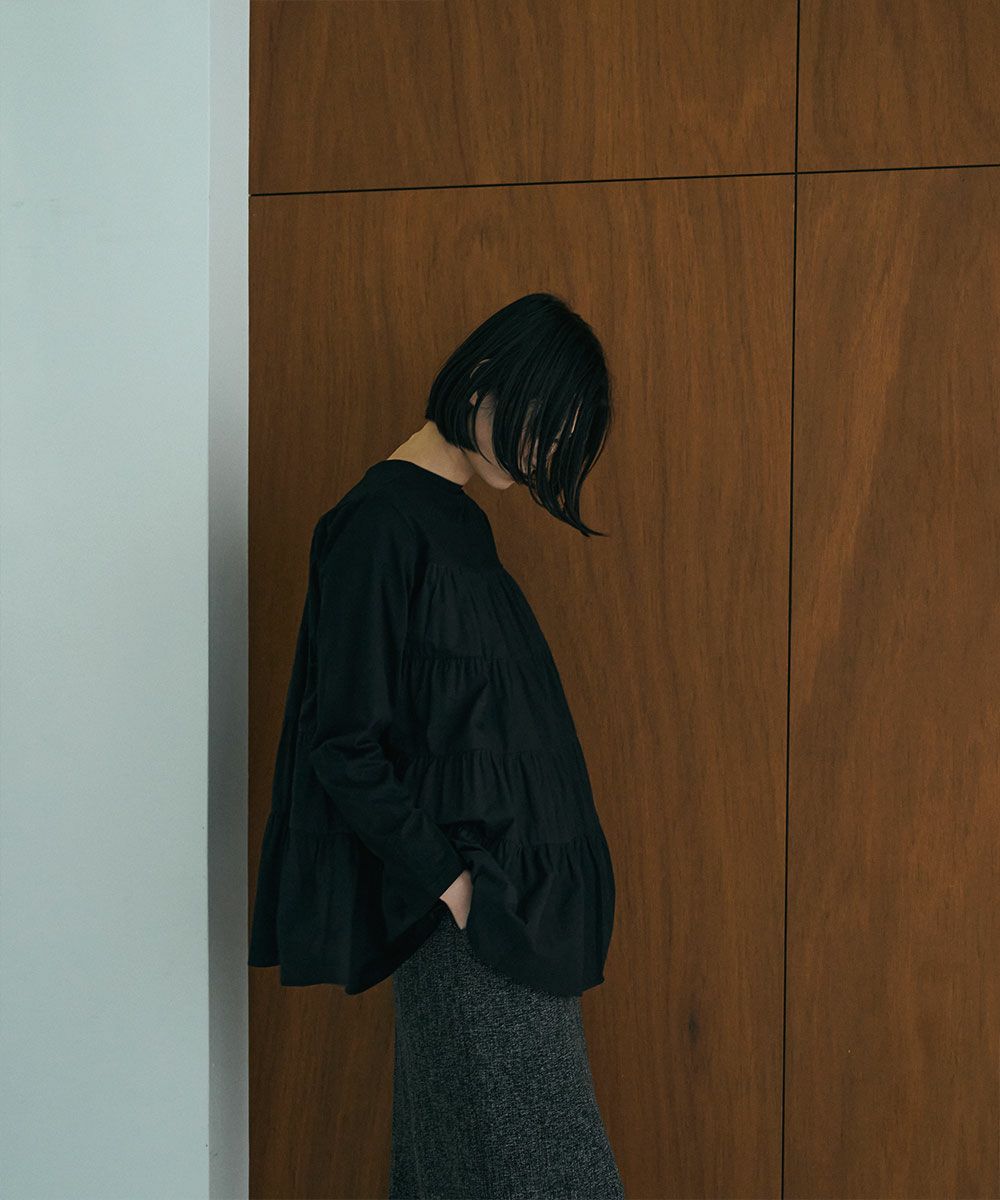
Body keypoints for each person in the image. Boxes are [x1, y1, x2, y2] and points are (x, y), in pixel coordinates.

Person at [248, 292, 624, 1198]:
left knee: (459, 1175)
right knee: (535, 1178)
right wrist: (458, 890)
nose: (542, 457)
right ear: (484, 380)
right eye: (542, 426)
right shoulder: (379, 522)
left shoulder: (456, 519)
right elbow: (345, 744)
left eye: (561, 440)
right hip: (480, 929)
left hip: (518, 920)